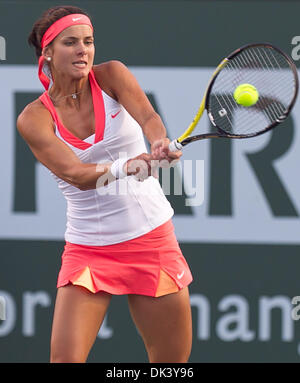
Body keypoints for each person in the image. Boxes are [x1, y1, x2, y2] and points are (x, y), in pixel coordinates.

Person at [18, 5, 193, 363]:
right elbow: (76, 175)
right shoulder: (33, 118)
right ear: (47, 53)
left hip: (150, 238)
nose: (83, 49)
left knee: (170, 366)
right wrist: (132, 165)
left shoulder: (112, 74)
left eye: (88, 41)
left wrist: (157, 140)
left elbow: (148, 117)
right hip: (89, 249)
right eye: (71, 42)